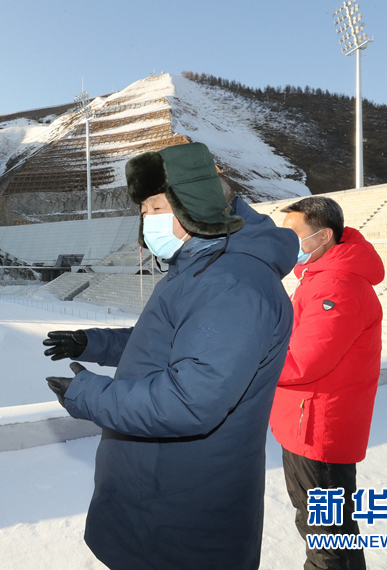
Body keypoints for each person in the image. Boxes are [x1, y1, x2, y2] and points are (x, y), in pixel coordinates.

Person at [44, 142, 298, 570]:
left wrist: (89, 395)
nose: (146, 218)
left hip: (180, 504)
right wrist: (93, 343)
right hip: (154, 487)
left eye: (154, 205)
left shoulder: (232, 285)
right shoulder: (199, 266)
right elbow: (163, 342)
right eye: (143, 208)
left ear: (191, 203)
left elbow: (190, 399)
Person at [270, 196, 384, 570]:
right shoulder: (320, 277)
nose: (287, 244)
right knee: (331, 532)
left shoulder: (336, 286)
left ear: (324, 236)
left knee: (325, 538)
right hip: (308, 422)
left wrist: (245, 360)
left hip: (319, 429)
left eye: (294, 235)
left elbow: (304, 362)